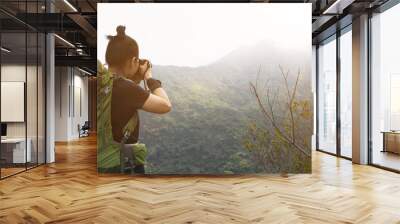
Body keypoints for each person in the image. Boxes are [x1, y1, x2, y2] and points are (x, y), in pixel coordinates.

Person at [105, 25, 172, 174]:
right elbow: (166, 105)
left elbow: (123, 101)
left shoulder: (103, 83)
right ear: (133, 60)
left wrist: (134, 80)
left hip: (104, 159)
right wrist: (148, 77)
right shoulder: (125, 88)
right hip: (124, 163)